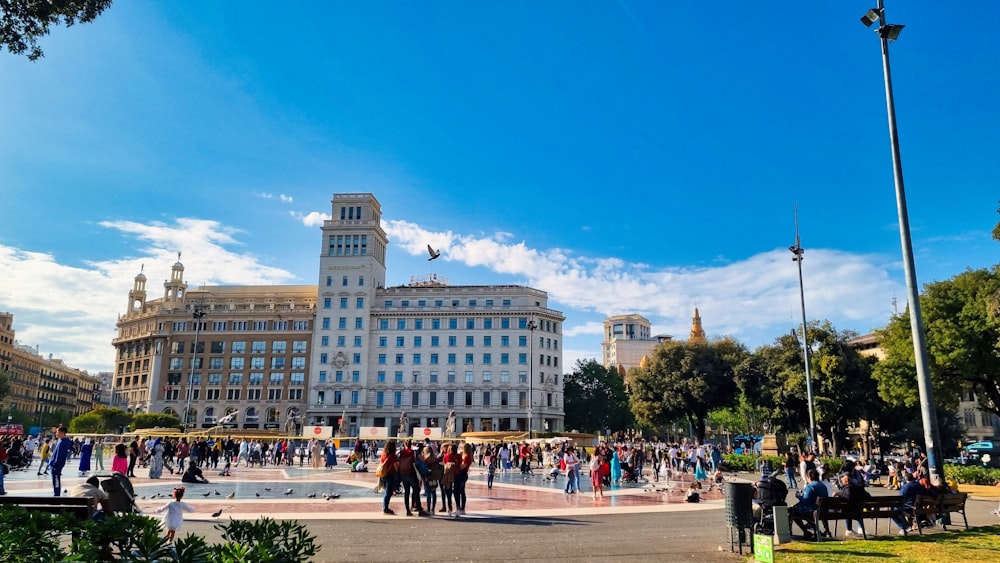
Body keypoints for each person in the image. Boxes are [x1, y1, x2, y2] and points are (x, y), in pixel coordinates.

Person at [790, 469, 829, 540]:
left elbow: (806, 500)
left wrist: (799, 496)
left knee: (793, 511)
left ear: (809, 477)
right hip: (823, 510)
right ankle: (815, 531)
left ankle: (806, 530)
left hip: (813, 510)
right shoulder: (823, 486)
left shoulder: (810, 486)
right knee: (800, 511)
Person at [835, 472, 871, 537]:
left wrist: (838, 493)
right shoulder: (859, 488)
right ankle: (850, 529)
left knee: (847, 509)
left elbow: (848, 496)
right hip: (858, 510)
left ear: (846, 481)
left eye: (842, 480)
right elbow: (868, 496)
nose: (841, 482)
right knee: (849, 508)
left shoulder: (847, 488)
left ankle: (849, 529)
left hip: (848, 511)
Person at [48, 426, 73, 497]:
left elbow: (59, 455)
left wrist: (55, 464)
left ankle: (57, 495)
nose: (56, 433)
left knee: (56, 480)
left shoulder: (62, 443)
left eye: (57, 432)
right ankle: (56, 493)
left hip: (56, 466)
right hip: (56, 464)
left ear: (62, 433)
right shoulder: (61, 441)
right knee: (56, 480)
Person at [378, 441, 399, 515]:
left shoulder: (383, 455)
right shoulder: (393, 456)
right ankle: (385, 508)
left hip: (383, 474)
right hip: (390, 475)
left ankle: (385, 506)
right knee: (388, 492)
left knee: (387, 492)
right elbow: (396, 468)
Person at [453, 442, 473, 517]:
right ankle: (462, 508)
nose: (460, 449)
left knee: (457, 491)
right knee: (462, 491)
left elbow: (462, 466)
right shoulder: (466, 456)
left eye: (462, 448)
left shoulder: (467, 457)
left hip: (462, 474)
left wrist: (456, 464)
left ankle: (459, 508)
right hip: (463, 474)